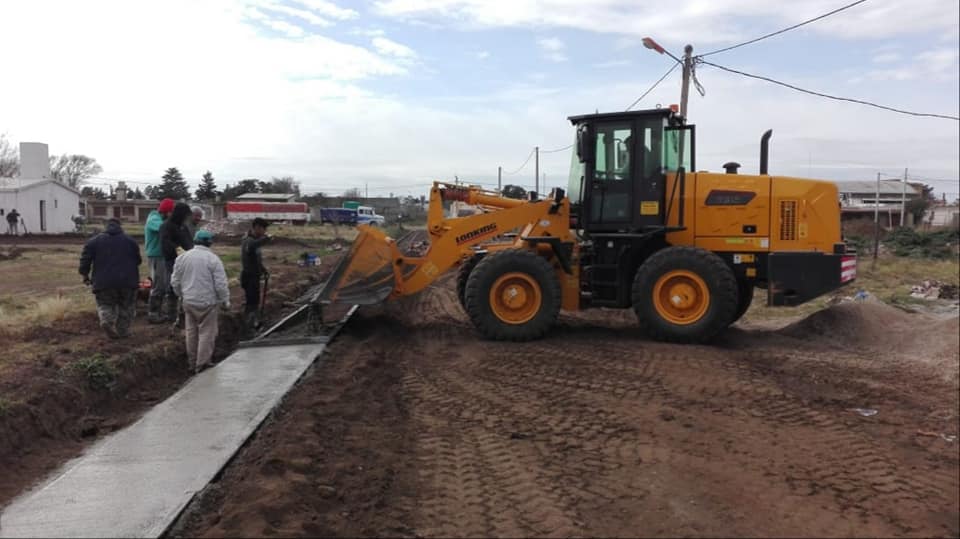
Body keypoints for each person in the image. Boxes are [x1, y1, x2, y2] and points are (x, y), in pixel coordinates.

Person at [171, 230, 230, 373]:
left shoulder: (182, 258)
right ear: (209, 243)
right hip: (207, 302)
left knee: (191, 332)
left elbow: (175, 281)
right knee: (207, 332)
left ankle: (192, 363)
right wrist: (225, 301)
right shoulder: (213, 259)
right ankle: (202, 364)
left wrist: (181, 295)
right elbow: (220, 284)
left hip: (188, 301)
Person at [79, 217, 142, 339]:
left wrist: (85, 275)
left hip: (103, 282)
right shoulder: (131, 241)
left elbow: (85, 260)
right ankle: (123, 331)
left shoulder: (94, 241)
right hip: (127, 282)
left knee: (105, 304)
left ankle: (106, 320)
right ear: (120, 226)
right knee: (126, 306)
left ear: (106, 227)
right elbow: (138, 261)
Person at [160, 202, 194, 322]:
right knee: (173, 286)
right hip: (172, 261)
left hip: (187, 260)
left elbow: (188, 241)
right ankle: (172, 315)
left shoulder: (183, 227)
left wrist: (192, 251)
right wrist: (178, 250)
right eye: (185, 215)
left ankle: (183, 313)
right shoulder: (166, 226)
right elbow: (166, 244)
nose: (186, 218)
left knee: (187, 287)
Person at [240, 217, 272, 334]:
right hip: (249, 277)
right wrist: (266, 239)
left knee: (255, 301)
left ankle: (253, 323)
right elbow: (251, 247)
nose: (264, 232)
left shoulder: (254, 241)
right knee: (251, 302)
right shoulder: (248, 241)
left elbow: (256, 259)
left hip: (255, 276)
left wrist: (263, 269)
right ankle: (248, 327)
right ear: (257, 228)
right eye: (263, 229)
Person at [145, 198, 175, 323]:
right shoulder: (153, 219)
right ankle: (153, 313)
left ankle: (160, 312)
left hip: (163, 256)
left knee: (166, 283)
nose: (172, 215)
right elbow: (164, 228)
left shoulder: (161, 219)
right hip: (156, 256)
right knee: (159, 284)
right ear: (166, 211)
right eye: (171, 212)